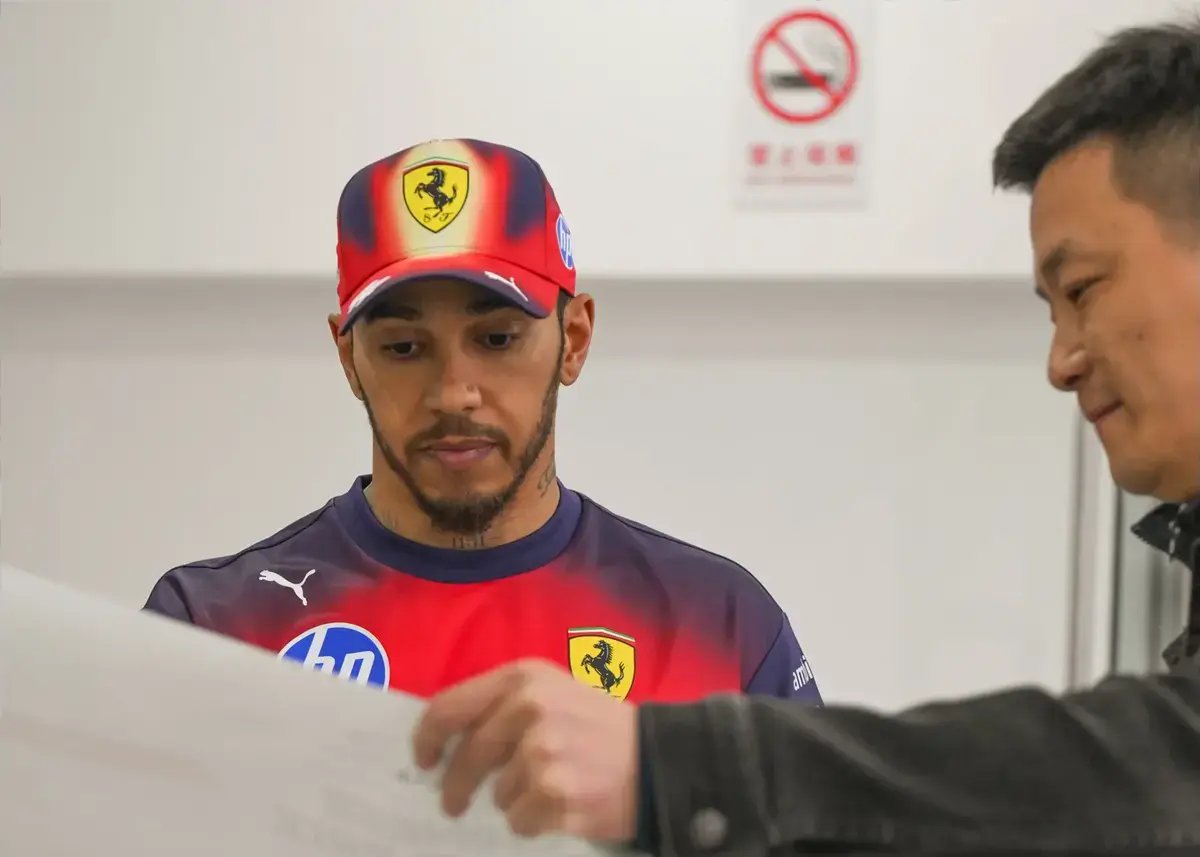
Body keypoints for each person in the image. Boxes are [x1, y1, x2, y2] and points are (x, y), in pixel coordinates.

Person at [411, 19, 1200, 855]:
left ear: (573, 338)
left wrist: (675, 768)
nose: (1062, 360)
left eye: (1083, 289)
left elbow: (1166, 763)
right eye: (403, 346)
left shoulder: (715, 609)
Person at [142, 137, 822, 707]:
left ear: (574, 339)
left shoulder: (721, 626)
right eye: (404, 347)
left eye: (496, 340)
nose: (454, 393)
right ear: (349, 359)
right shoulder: (212, 629)